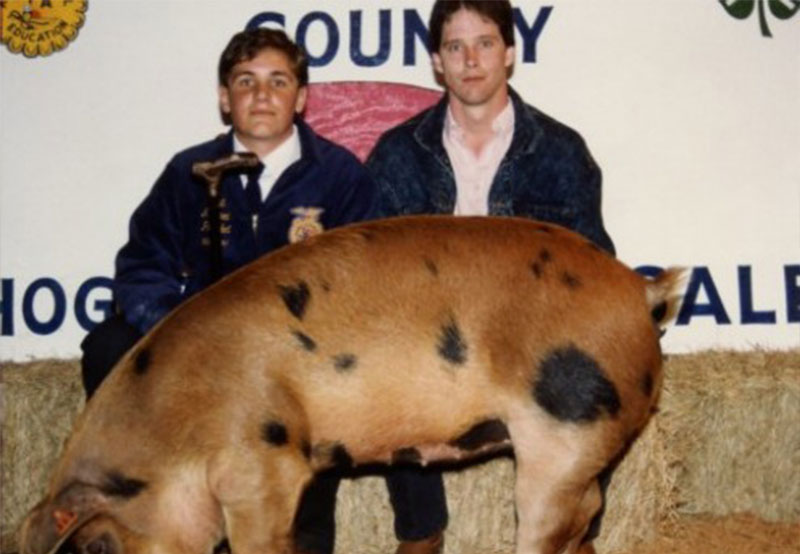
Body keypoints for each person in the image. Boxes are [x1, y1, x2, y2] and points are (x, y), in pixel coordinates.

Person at [78, 27, 378, 554]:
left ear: (301, 98)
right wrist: (185, 334)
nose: (262, 96)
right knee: (107, 344)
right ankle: (149, 508)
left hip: (297, 363)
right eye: (246, 81)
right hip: (199, 355)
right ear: (224, 97)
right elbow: (143, 264)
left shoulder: (340, 177)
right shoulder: (186, 173)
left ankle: (292, 525)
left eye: (277, 81)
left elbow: (367, 284)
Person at [365, 0, 615, 551]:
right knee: (383, 360)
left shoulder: (562, 152)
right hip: (431, 345)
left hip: (530, 341)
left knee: (600, 356)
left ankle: (575, 528)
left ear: (510, 54)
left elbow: (595, 269)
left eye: (484, 44)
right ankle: (420, 531)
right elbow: (370, 278)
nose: (470, 60)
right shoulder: (395, 155)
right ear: (437, 61)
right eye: (455, 47)